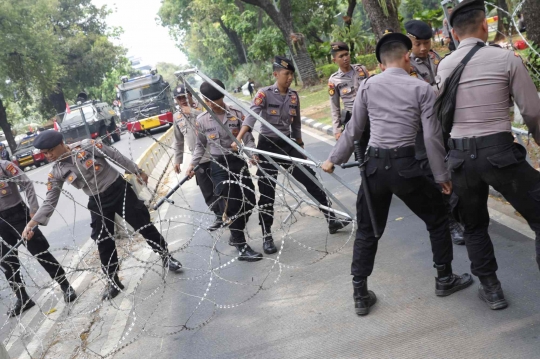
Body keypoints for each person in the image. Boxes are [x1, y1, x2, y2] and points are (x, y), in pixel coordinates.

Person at [321, 30, 472, 316]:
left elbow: (354, 130)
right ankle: (444, 278)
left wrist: (333, 159)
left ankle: (360, 294)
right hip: (407, 168)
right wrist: (442, 177)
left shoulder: (366, 86)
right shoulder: (422, 89)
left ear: (380, 64)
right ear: (406, 58)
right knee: (438, 219)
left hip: (375, 167)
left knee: (368, 228)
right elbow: (431, 138)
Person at [437, 0, 540, 310]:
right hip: (500, 154)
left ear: (454, 33)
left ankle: (491, 288)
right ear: (485, 26)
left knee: (474, 224)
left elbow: (438, 117)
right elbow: (533, 112)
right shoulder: (507, 58)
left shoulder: (444, 65)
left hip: (459, 159)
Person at [22, 131, 183, 301]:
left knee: (143, 225)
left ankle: (166, 257)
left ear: (61, 143)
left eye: (50, 151)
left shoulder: (87, 146)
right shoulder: (56, 172)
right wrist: (32, 223)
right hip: (97, 201)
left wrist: (137, 171)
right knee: (103, 240)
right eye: (45, 153)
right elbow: (50, 201)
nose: (48, 156)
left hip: (118, 189)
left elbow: (115, 156)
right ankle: (113, 280)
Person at [236, 56, 350, 255]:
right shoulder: (264, 94)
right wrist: (239, 137)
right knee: (266, 192)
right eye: (286, 74)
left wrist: (301, 147)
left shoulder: (294, 96)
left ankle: (331, 219)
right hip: (268, 146)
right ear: (275, 74)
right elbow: (251, 117)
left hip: (288, 145)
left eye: (291, 74)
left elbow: (296, 125)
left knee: (311, 180)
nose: (289, 78)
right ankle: (267, 235)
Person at [186, 79, 263, 262]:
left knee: (250, 200)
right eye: (212, 101)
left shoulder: (236, 113)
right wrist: (191, 165)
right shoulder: (202, 120)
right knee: (233, 204)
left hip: (237, 162)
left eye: (219, 99)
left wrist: (252, 154)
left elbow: (248, 138)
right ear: (205, 100)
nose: (216, 104)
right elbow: (199, 146)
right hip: (218, 166)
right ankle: (241, 245)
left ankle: (235, 235)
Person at [405, 20, 465, 245]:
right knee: (433, 175)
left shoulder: (436, 58)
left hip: (444, 122)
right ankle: (449, 221)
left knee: (453, 168)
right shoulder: (406, 65)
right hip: (421, 129)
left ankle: (459, 214)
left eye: (426, 42)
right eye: (417, 43)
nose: (423, 48)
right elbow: (424, 93)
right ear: (409, 41)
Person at [0, 160, 77, 317]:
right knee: (7, 261)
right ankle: (23, 299)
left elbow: (26, 183)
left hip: (18, 215)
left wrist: (33, 212)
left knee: (40, 252)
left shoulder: (4, 166)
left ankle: (65, 286)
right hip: (1, 222)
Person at [172, 85, 223, 231]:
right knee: (207, 191)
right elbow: (178, 140)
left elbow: (213, 119)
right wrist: (177, 160)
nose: (182, 100)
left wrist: (192, 112)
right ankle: (219, 216)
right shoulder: (177, 116)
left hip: (214, 155)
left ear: (190, 95)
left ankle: (228, 213)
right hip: (198, 160)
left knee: (221, 187)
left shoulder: (203, 107)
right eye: (179, 98)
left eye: (184, 96)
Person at [327, 42, 370, 141]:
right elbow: (335, 106)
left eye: (346, 54)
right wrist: (337, 129)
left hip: (370, 116)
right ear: (334, 60)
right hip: (353, 120)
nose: (345, 58)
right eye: (341, 56)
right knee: (359, 152)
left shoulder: (361, 70)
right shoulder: (334, 80)